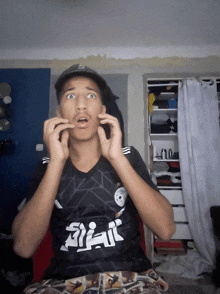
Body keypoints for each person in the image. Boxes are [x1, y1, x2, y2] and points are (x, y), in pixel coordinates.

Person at [12, 64, 175, 293]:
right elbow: (23, 247)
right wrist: (56, 162)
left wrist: (116, 158)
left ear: (102, 110)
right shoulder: (47, 166)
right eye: (70, 95)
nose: (81, 104)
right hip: (65, 283)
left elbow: (166, 230)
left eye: (91, 95)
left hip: (130, 279)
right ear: (59, 113)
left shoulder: (127, 156)